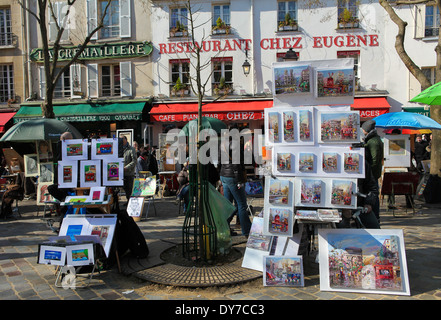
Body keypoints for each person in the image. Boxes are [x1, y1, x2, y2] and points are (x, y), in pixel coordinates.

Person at [219, 136, 251, 237]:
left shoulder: (222, 145)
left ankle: (224, 228)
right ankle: (247, 231)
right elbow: (237, 164)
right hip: (233, 177)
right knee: (241, 205)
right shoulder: (235, 145)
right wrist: (239, 181)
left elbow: (219, 162)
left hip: (224, 176)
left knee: (228, 205)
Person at [337, 160, 380, 229]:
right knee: (341, 226)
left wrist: (368, 203)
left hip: (360, 206)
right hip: (335, 208)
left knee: (375, 228)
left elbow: (372, 187)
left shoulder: (362, 163)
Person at [122, 135, 137, 202]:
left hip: (129, 173)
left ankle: (130, 202)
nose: (121, 141)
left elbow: (134, 161)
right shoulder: (119, 149)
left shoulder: (131, 149)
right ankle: (128, 201)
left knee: (129, 189)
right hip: (121, 173)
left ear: (126, 140)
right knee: (125, 189)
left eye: (122, 140)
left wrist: (127, 167)